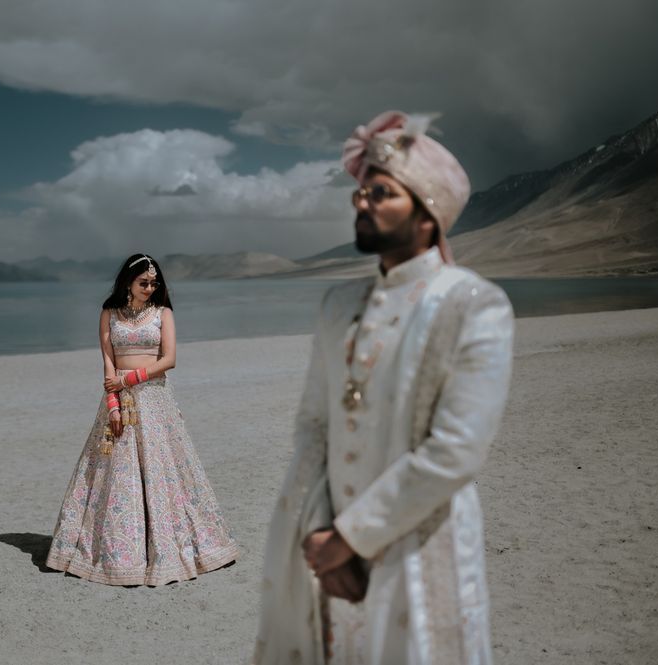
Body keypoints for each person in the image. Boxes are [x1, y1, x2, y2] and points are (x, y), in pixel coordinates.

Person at [253, 111, 515, 664]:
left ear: (427, 213)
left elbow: (456, 452)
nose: (362, 202)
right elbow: (314, 425)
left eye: (382, 191)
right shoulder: (337, 305)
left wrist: (350, 539)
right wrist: (319, 531)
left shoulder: (474, 305)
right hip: (326, 548)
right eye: (360, 191)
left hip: (419, 544)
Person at [46, 253, 240, 586]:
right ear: (128, 282)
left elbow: (170, 359)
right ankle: (114, 551)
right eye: (143, 283)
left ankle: (173, 547)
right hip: (118, 400)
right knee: (113, 474)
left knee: (162, 470)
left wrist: (129, 379)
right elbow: (107, 363)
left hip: (154, 400)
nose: (149, 288)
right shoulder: (109, 313)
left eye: (153, 283)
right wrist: (113, 404)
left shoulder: (163, 314)